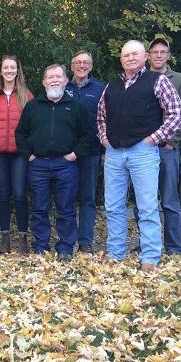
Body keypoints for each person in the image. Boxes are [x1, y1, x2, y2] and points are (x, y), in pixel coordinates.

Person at [97, 40, 181, 271]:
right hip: (114, 153)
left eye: (135, 54)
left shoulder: (158, 81)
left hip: (143, 152)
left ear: (144, 57)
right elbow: (100, 116)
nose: (130, 58)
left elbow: (177, 114)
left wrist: (153, 139)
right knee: (113, 207)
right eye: (126, 55)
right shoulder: (112, 85)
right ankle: (116, 253)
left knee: (146, 207)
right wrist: (104, 139)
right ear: (121, 59)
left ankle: (150, 257)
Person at [15, 64, 93, 260]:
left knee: (65, 208)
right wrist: (29, 155)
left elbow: (87, 135)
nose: (54, 80)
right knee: (39, 208)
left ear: (66, 81)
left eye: (58, 76)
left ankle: (65, 248)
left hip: (66, 164)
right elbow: (21, 134)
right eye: (50, 77)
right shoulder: (33, 106)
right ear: (44, 82)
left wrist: (74, 155)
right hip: (38, 164)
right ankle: (41, 246)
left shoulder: (76, 106)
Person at [135, 38, 181, 255]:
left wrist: (171, 141)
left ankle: (174, 247)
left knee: (169, 199)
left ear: (168, 55)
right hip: (142, 148)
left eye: (163, 51)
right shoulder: (139, 79)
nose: (158, 55)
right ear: (148, 55)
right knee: (144, 200)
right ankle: (148, 245)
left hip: (166, 148)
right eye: (155, 52)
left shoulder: (180, 80)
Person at [0, 55, 33, 254]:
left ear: (17, 70)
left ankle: (22, 237)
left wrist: (30, 149)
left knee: (20, 195)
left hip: (20, 153)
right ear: (1, 71)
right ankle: (5, 237)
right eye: (6, 67)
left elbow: (33, 124)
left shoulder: (26, 95)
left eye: (13, 67)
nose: (9, 71)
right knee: (3, 195)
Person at [65, 50, 106, 253]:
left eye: (86, 62)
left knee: (88, 198)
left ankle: (85, 241)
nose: (82, 65)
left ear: (91, 66)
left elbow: (106, 120)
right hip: (65, 152)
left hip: (90, 152)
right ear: (71, 66)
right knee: (67, 197)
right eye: (78, 62)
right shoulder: (62, 86)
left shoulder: (100, 89)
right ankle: (68, 240)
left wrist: (104, 149)